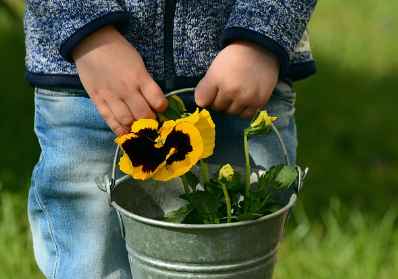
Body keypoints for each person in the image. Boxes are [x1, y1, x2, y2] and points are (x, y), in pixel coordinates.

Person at [24, 1, 318, 278]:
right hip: (92, 77)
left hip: (245, 76)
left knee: (236, 257)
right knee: (91, 262)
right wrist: (88, 32)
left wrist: (263, 34)